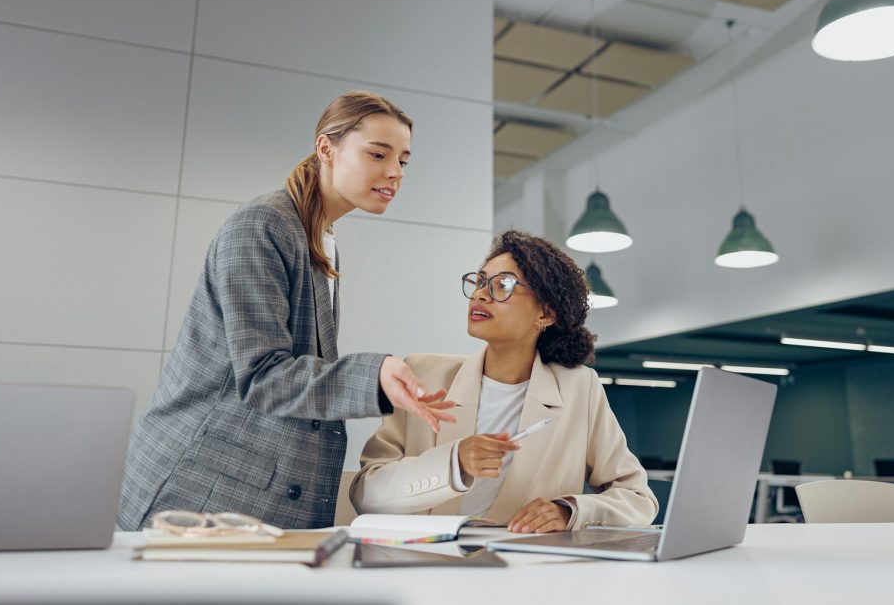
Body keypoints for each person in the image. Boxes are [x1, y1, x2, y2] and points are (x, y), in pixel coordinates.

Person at [118, 91, 456, 531]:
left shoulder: (319, 239)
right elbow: (264, 375)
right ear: (325, 149)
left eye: (404, 161)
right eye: (377, 154)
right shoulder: (262, 225)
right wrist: (373, 375)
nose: (394, 172)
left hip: (250, 500)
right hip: (202, 491)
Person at [350, 229, 657, 532]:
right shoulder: (423, 374)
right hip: (425, 567)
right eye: (481, 282)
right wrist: (454, 464)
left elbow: (639, 499)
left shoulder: (579, 389)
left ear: (546, 314)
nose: (481, 294)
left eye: (503, 285)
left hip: (524, 570)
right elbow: (366, 494)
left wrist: (570, 511)